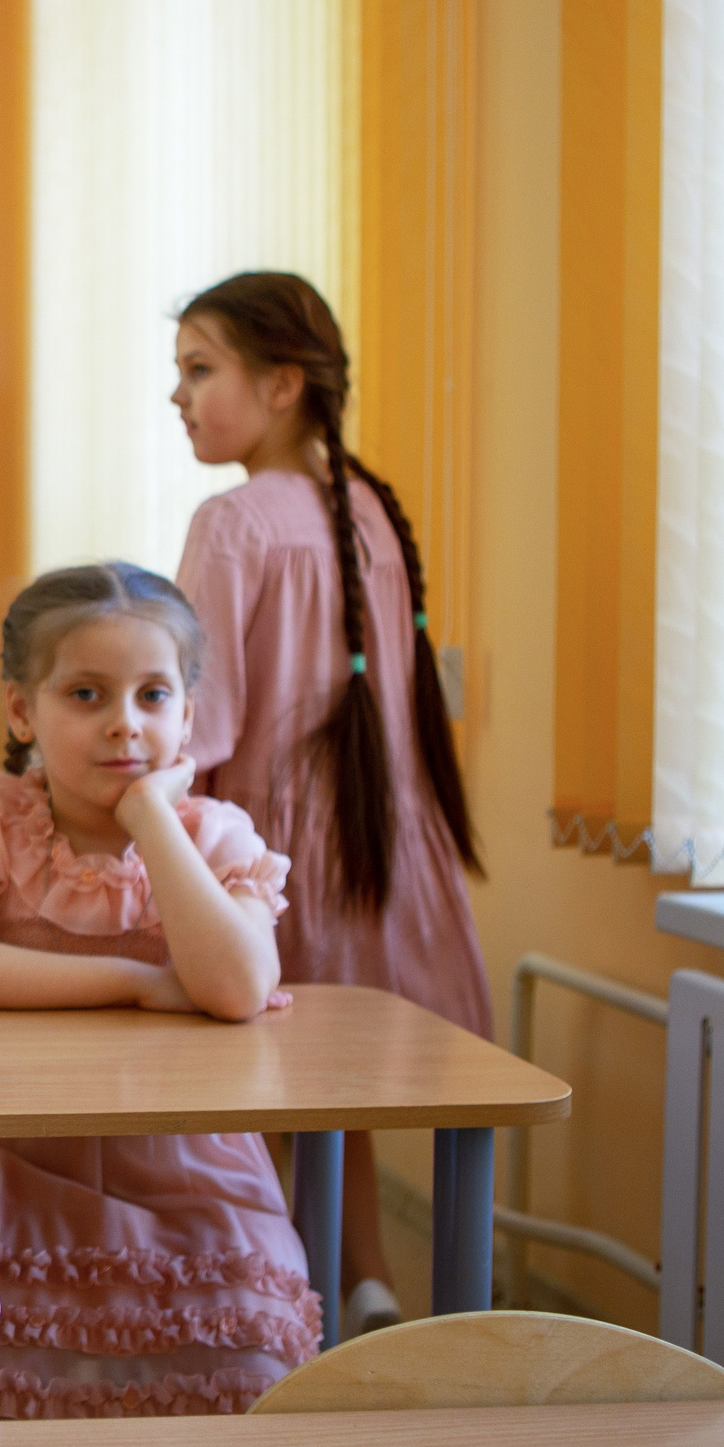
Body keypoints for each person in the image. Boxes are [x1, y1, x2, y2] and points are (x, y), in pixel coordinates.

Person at [0, 562, 316, 1417]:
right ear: (23, 710)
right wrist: (135, 979)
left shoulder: (215, 833)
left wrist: (152, 819)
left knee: (238, 1350)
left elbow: (237, 987)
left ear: (188, 715)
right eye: (86, 695)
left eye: (153, 696)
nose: (125, 724)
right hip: (9, 1160)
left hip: (188, 1170)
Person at [170, 270, 489, 1340]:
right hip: (383, 851)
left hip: (275, 859)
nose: (179, 396)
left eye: (199, 370)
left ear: (282, 384)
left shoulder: (233, 522)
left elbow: (201, 726)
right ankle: (372, 1285)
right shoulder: (370, 513)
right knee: (342, 1086)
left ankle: (264, 1319)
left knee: (259, 1103)